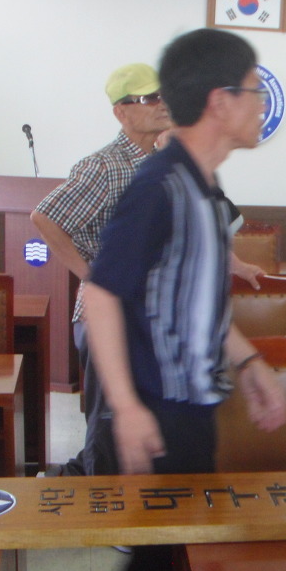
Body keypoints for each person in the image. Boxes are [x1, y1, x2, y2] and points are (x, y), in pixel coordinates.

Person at [30, 29, 286, 571]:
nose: (262, 104)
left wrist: (249, 362)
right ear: (220, 101)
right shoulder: (160, 184)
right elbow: (104, 294)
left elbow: (198, 299)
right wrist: (126, 407)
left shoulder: (203, 186)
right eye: (254, 91)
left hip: (192, 408)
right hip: (162, 414)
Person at [32, 63, 263, 476]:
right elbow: (45, 218)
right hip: (110, 317)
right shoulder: (104, 167)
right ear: (121, 112)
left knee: (152, 423)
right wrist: (91, 275)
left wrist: (235, 262)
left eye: (164, 96)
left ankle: (125, 494)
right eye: (148, 98)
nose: (162, 105)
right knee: (110, 427)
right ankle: (100, 499)